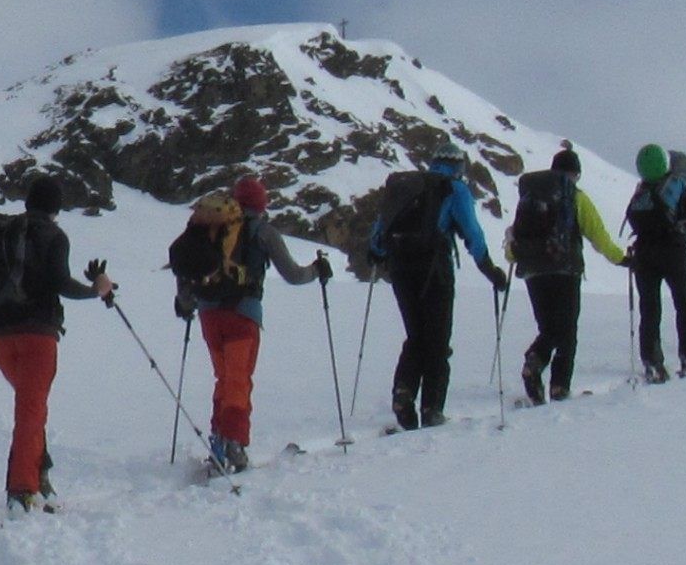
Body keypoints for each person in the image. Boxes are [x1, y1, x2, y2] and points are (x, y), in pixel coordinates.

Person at [0, 168, 114, 511]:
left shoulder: (3, 233)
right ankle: (22, 490)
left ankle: (38, 475)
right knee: (31, 411)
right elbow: (61, 284)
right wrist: (95, 290)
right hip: (37, 336)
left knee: (31, 409)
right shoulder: (53, 235)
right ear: (56, 206)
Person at [166, 174, 325, 473]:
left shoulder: (211, 228)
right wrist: (317, 270)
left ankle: (218, 438)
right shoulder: (263, 232)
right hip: (243, 314)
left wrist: (186, 302)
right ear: (262, 204)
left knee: (224, 378)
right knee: (239, 380)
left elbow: (188, 266)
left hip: (208, 315)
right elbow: (292, 275)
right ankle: (233, 443)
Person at [360, 157, 506, 432]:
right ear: (458, 168)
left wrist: (377, 253)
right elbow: (471, 232)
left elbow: (380, 229)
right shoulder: (453, 188)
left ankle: (403, 392)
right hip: (434, 270)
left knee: (416, 335)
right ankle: (432, 409)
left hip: (400, 268)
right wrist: (489, 269)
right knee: (438, 339)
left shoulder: (408, 188)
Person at [504, 142, 627, 402]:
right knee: (567, 329)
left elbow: (516, 235)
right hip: (564, 270)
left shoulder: (532, 197)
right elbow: (598, 236)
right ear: (574, 173)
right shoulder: (575, 196)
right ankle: (558, 386)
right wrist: (621, 259)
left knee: (548, 327)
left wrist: (514, 256)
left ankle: (535, 365)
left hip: (533, 271)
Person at [624, 145, 686, 379]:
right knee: (684, 304)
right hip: (673, 250)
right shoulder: (678, 186)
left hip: (643, 252)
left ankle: (651, 361)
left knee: (649, 308)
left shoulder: (643, 190)